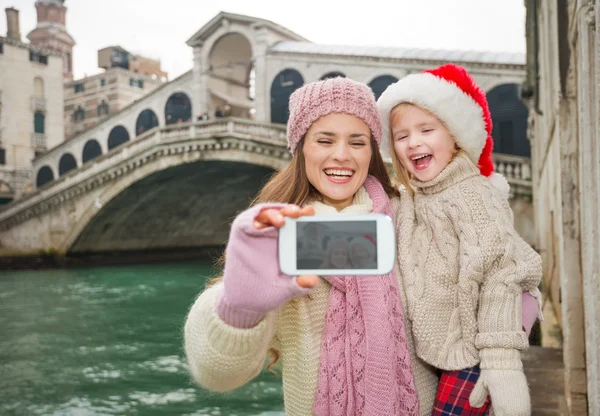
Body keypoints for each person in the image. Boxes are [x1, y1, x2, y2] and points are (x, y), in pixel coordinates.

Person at [184, 77, 439, 415]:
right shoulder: (275, 233)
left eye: (357, 142)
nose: (342, 155)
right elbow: (216, 375)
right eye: (325, 139)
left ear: (372, 151)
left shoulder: (413, 215)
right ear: (301, 147)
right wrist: (239, 308)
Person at [377, 64, 543, 416]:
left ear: (454, 136)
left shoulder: (471, 195)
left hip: (470, 355)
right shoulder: (412, 198)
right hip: (429, 352)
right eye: (401, 135)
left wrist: (501, 363)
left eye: (426, 129)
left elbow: (501, 274)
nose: (414, 142)